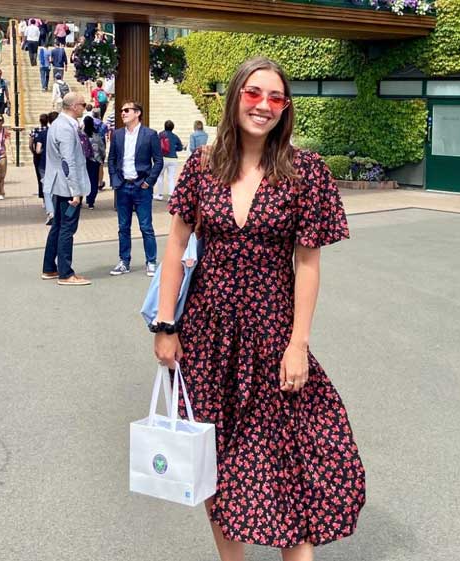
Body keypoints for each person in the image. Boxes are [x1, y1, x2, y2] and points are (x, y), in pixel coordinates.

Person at [153, 56, 365, 559]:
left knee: (289, 462)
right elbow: (175, 246)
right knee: (214, 463)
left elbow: (308, 264)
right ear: (235, 97)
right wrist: (166, 325)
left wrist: (299, 343)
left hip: (273, 335)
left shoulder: (306, 172)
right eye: (253, 93)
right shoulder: (201, 166)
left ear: (285, 108)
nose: (263, 106)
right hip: (205, 338)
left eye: (275, 97)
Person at [106, 100, 163, 276]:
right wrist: (115, 180)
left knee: (146, 226)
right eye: (122, 110)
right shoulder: (117, 135)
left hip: (141, 187)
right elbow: (112, 159)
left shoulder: (150, 134)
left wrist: (149, 182)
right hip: (123, 186)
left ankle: (151, 261)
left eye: (127, 110)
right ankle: (124, 261)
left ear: (137, 113)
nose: (123, 113)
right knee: (123, 226)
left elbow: (158, 161)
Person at [41, 92, 90, 286]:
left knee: (58, 226)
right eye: (83, 105)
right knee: (67, 228)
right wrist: (75, 191)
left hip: (59, 184)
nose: (84, 108)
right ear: (74, 106)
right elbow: (67, 160)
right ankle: (66, 273)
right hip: (66, 186)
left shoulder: (59, 124)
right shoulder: (65, 128)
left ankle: (50, 267)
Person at [30, 113, 51, 222]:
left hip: (40, 159)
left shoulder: (36, 131)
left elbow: (32, 145)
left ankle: (46, 203)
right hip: (51, 161)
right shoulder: (51, 131)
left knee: (42, 181)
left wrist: (35, 153)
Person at [82, 115, 106, 210]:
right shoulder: (96, 136)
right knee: (93, 181)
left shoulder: (80, 135)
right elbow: (102, 149)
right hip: (95, 160)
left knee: (82, 180)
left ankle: (79, 199)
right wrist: (102, 159)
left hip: (83, 161)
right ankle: (91, 201)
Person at [156, 120, 183, 201]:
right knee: (171, 177)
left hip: (163, 158)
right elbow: (180, 148)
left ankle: (159, 194)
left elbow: (156, 145)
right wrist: (174, 148)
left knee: (160, 176)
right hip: (173, 158)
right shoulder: (175, 136)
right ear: (172, 128)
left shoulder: (160, 135)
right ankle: (171, 195)